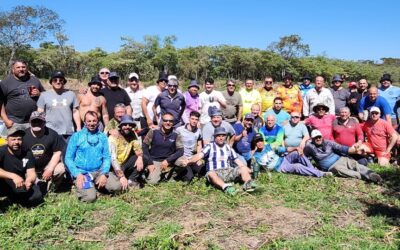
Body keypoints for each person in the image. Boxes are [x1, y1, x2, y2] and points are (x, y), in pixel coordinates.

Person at [65, 111, 122, 202]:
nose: (92, 123)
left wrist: (104, 173)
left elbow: (107, 157)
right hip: (83, 173)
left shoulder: (102, 137)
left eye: (94, 121)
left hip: (99, 171)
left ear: (98, 122)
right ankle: (87, 187)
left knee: (117, 187)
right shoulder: (77, 136)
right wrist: (77, 174)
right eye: (89, 121)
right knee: (89, 198)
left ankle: (98, 184)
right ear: (85, 122)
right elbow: (68, 158)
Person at [186, 127, 257, 195]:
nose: (221, 138)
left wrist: (248, 170)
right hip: (215, 172)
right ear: (215, 137)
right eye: (218, 136)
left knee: (243, 168)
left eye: (223, 136)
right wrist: (189, 161)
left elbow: (239, 162)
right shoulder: (209, 146)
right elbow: (199, 155)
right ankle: (226, 187)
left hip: (228, 171)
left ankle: (248, 184)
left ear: (225, 137)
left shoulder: (228, 147)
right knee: (210, 174)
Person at [304, 130, 382, 183]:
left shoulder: (328, 142)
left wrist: (355, 151)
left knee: (355, 165)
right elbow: (305, 158)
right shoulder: (309, 147)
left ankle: (372, 174)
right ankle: (364, 177)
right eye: (316, 138)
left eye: (319, 137)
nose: (318, 139)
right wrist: (312, 167)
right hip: (332, 166)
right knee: (347, 172)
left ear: (322, 136)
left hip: (340, 159)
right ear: (312, 139)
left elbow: (341, 148)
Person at [251, 133, 328, 178]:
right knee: (297, 166)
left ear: (263, 141)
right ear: (255, 143)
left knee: (297, 153)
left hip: (284, 159)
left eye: (260, 140)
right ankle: (321, 174)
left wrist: (296, 148)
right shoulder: (255, 156)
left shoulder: (270, 146)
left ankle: (312, 170)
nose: (259, 143)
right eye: (257, 141)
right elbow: (254, 171)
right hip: (279, 167)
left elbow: (285, 149)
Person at [0, 127, 44, 206]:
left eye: (19, 139)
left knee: (36, 196)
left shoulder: (27, 153)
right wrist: (13, 176)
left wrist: (29, 180)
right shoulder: (2, 151)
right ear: (7, 141)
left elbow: (31, 172)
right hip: (3, 181)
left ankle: (15, 199)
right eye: (13, 139)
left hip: (19, 183)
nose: (16, 142)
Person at [23, 112, 66, 191]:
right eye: (34, 121)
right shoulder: (23, 135)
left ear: (44, 122)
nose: (36, 123)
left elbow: (57, 152)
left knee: (61, 168)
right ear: (29, 122)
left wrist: (50, 168)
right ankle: (37, 186)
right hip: (30, 168)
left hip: (46, 165)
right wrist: (30, 170)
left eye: (39, 121)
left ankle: (50, 189)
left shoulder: (52, 134)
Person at [0, 60, 45, 134]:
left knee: (29, 144)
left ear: (26, 68)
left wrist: (39, 93)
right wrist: (6, 120)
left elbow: (45, 96)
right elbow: (0, 102)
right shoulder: (5, 83)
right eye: (18, 67)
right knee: (13, 144)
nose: (21, 69)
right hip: (13, 122)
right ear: (13, 69)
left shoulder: (34, 80)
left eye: (23, 67)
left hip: (33, 121)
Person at [37, 71, 81, 140]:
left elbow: (75, 111)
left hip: (68, 131)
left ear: (64, 82)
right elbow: (40, 112)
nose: (58, 82)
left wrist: (78, 127)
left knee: (67, 150)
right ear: (51, 82)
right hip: (50, 131)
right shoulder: (44, 95)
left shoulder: (71, 94)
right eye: (55, 80)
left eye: (61, 80)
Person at [142, 113, 184, 184]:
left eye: (170, 121)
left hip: (169, 161)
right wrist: (150, 163)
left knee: (183, 162)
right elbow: (144, 146)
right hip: (155, 160)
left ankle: (170, 176)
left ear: (173, 122)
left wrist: (168, 160)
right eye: (165, 120)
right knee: (152, 182)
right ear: (162, 121)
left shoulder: (176, 134)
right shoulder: (153, 131)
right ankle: (148, 173)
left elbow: (181, 150)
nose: (168, 123)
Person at [109, 115, 149, 189]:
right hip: (113, 166)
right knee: (117, 186)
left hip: (124, 163)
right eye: (125, 124)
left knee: (144, 158)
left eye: (130, 125)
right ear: (120, 126)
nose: (127, 126)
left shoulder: (132, 134)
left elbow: (138, 148)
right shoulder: (113, 137)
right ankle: (120, 178)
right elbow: (113, 159)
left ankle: (131, 180)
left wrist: (140, 157)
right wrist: (121, 176)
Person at [175, 111, 205, 182]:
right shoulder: (179, 130)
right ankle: (176, 173)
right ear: (189, 119)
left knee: (203, 171)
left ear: (198, 120)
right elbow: (174, 145)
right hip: (181, 157)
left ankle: (191, 170)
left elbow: (199, 145)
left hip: (192, 157)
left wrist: (198, 158)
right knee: (189, 178)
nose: (194, 121)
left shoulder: (199, 131)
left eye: (196, 119)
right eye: (192, 119)